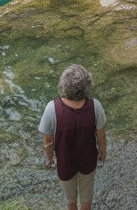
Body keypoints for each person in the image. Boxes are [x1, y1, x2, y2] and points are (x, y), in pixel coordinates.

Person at [40, 64, 107, 210]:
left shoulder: (52, 108)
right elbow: (101, 135)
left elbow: (48, 142)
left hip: (65, 164)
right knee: (87, 200)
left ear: (63, 84)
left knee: (70, 202)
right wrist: (103, 153)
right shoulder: (95, 106)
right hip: (88, 162)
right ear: (87, 85)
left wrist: (49, 159)